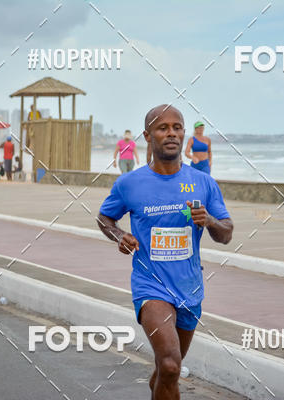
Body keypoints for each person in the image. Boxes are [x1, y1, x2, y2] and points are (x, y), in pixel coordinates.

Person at [97, 105, 233, 400]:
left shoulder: (204, 183)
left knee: (166, 369)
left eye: (177, 127)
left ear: (183, 134)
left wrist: (209, 221)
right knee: (171, 366)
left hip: (189, 288)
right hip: (151, 286)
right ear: (148, 136)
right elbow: (104, 218)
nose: (171, 133)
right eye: (162, 128)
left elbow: (226, 233)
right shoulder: (129, 184)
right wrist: (119, 235)